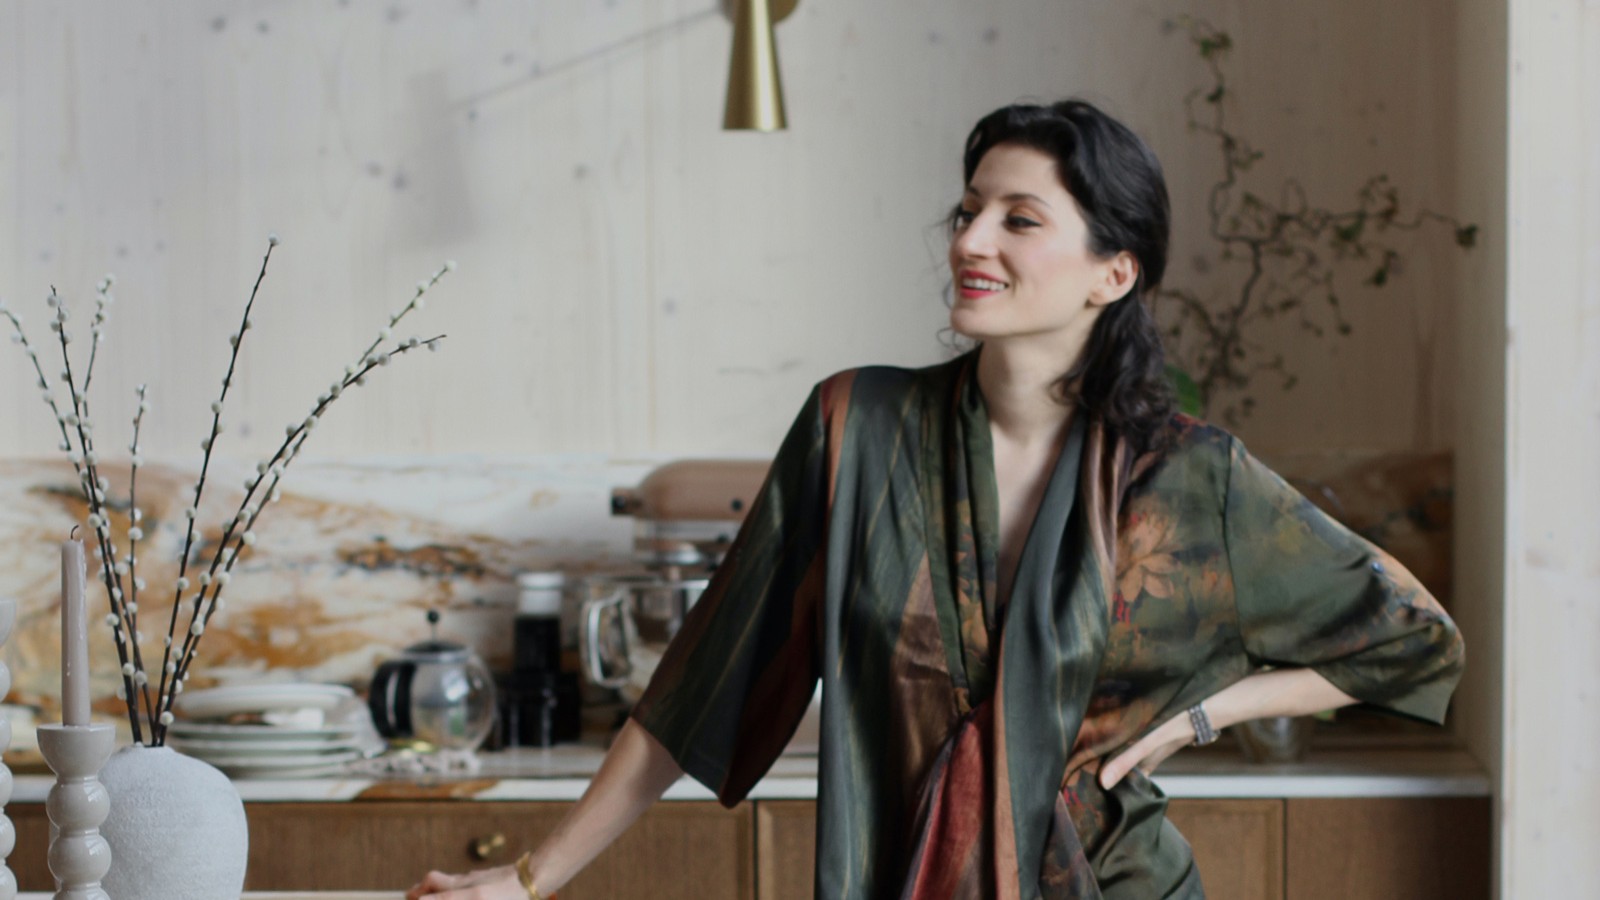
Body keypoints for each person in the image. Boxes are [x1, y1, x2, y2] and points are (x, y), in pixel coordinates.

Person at [407, 99, 1465, 900]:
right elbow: (700, 684)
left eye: (1018, 219)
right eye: (967, 211)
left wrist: (1204, 712)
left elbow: (1413, 642)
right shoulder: (853, 431)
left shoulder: (1188, 475)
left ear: (1113, 274)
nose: (968, 241)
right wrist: (529, 879)